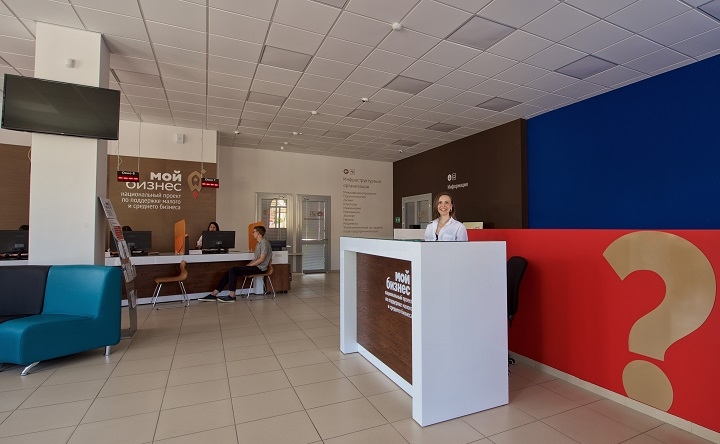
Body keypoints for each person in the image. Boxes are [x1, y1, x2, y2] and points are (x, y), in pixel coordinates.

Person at [199, 226, 271, 302]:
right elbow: (256, 259)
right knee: (229, 272)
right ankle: (214, 294)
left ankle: (232, 295)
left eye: (254, 232)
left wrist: (250, 265)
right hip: (256, 266)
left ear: (258, 233)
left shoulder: (264, 243)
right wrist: (249, 265)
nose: (252, 234)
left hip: (260, 268)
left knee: (233, 270)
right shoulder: (258, 244)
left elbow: (261, 259)